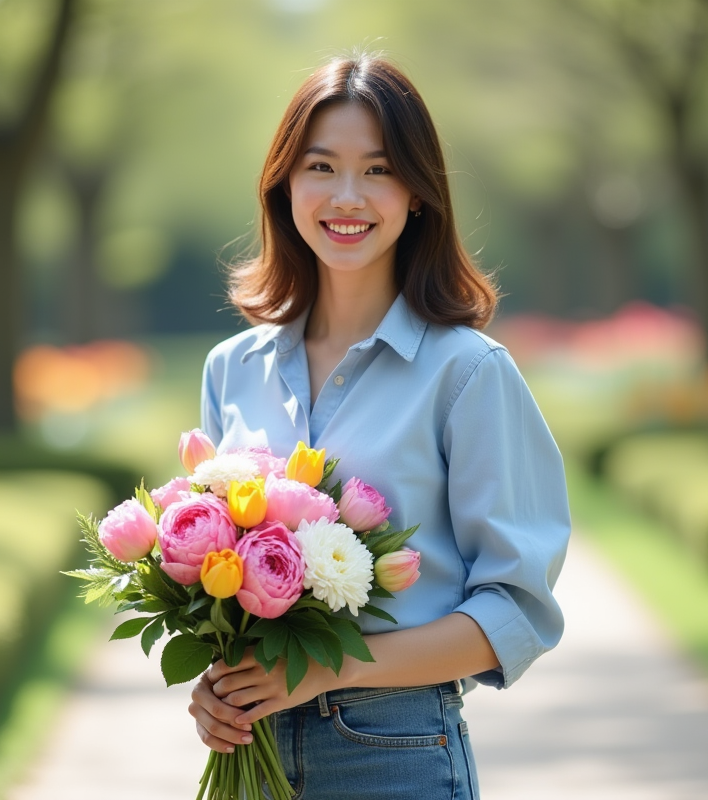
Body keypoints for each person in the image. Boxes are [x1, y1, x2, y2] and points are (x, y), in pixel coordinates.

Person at [187, 52, 570, 799]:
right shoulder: (230, 368)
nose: (348, 196)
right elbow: (222, 590)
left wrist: (331, 668)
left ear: (419, 193)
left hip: (392, 751)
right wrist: (217, 688)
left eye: (380, 169)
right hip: (252, 757)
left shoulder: (469, 374)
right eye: (322, 167)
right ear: (284, 185)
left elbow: (515, 610)